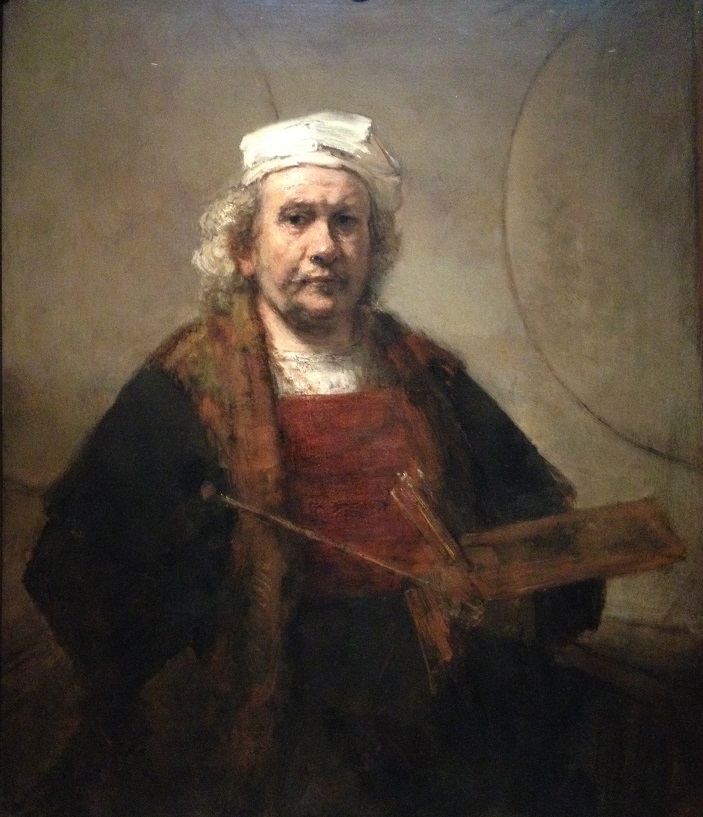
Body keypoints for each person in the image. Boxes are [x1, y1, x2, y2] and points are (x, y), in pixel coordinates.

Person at [24, 111, 603, 817]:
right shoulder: (182, 386)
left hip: (439, 703)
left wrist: (495, 584)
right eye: (296, 219)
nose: (324, 247)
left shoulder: (427, 375)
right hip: (270, 717)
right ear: (245, 247)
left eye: (346, 222)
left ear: (373, 246)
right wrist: (204, 580)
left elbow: (539, 516)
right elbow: (71, 570)